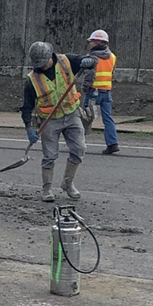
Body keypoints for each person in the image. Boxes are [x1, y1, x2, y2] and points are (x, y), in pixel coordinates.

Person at [20, 41, 98, 202]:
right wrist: (29, 127)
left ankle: (68, 183)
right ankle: (47, 189)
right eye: (38, 65)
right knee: (49, 155)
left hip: (72, 114)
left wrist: (90, 62)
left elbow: (93, 62)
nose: (41, 67)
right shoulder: (32, 80)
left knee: (79, 148)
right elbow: (27, 106)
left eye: (43, 63)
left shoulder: (67, 61)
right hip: (49, 121)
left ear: (51, 56)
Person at [85, 30, 119, 154]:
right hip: (106, 91)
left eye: (92, 41)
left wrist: (85, 88)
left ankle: (77, 141)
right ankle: (112, 143)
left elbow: (89, 76)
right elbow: (112, 74)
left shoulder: (92, 58)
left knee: (84, 117)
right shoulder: (112, 57)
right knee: (107, 118)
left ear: (99, 42)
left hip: (93, 91)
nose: (90, 43)